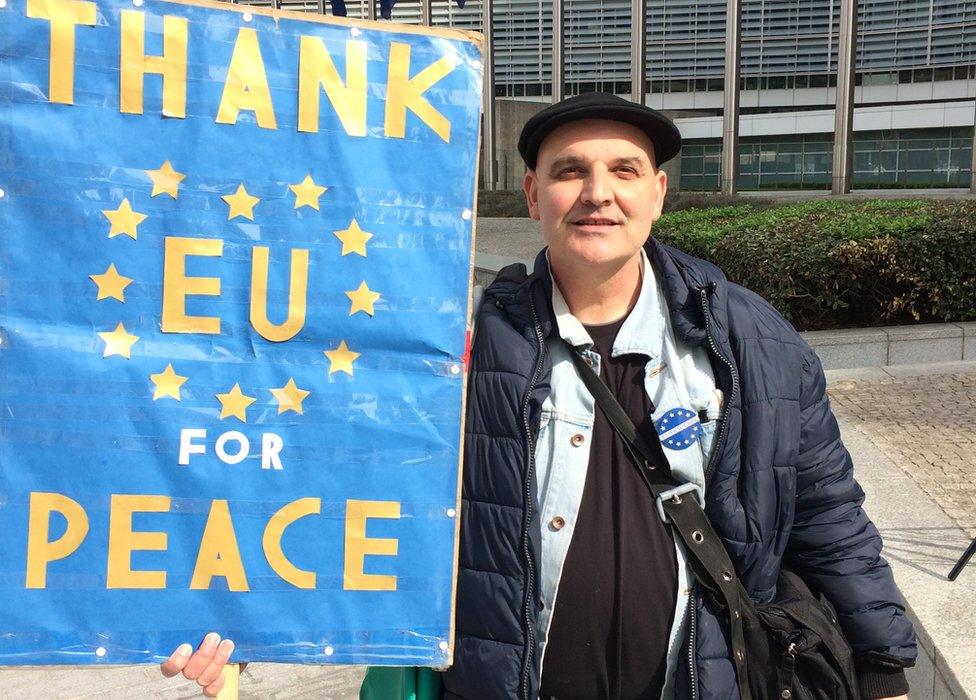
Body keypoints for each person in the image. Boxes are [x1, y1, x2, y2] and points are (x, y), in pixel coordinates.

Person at [162, 92, 916, 699]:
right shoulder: (461, 350)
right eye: (569, 171)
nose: (598, 194)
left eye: (624, 170)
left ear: (657, 193)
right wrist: (232, 625)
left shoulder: (753, 342)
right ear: (532, 194)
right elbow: (343, 495)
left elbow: (826, 514)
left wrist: (883, 670)